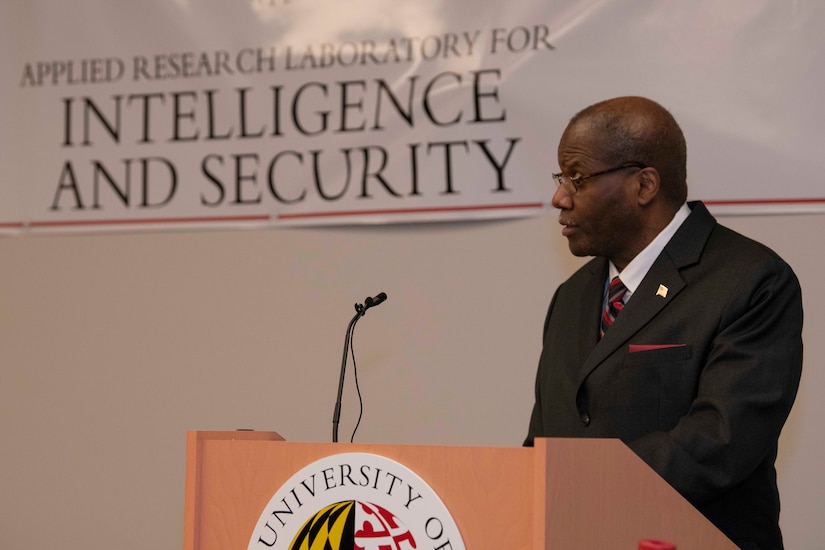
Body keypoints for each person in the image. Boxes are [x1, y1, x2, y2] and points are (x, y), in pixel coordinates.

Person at [523, 96, 803, 549]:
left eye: (576, 177)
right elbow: (546, 441)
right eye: (560, 178)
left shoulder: (751, 281)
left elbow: (720, 441)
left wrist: (578, 484)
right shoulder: (571, 297)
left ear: (644, 185)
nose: (559, 197)